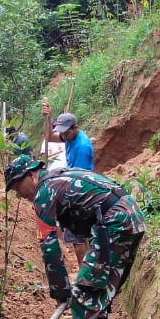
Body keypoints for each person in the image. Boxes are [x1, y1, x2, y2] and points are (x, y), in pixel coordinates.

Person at [4, 155, 145, 319]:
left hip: (116, 222)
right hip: (124, 216)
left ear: (31, 175)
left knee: (85, 292)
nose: (19, 193)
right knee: (93, 286)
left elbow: (49, 246)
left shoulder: (44, 193)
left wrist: (61, 291)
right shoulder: (56, 178)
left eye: (18, 186)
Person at [41, 100, 95, 263]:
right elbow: (49, 137)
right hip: (77, 187)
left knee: (78, 239)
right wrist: (47, 118)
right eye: (62, 132)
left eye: (65, 132)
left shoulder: (82, 147)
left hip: (80, 194)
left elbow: (78, 179)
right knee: (82, 238)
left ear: (75, 128)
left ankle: (82, 278)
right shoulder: (70, 138)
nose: (63, 136)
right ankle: (87, 276)